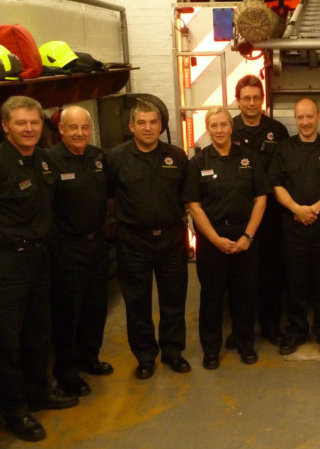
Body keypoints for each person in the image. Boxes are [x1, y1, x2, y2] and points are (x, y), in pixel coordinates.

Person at [0, 96, 78, 442]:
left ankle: (38, 391)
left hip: (38, 260)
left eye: (34, 122)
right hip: (2, 267)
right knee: (6, 342)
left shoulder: (42, 161)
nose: (29, 128)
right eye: (21, 123)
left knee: (37, 332)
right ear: (5, 126)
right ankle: (14, 410)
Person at [106, 100, 190, 379]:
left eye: (153, 122)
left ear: (161, 125)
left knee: (174, 298)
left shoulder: (177, 157)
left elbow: (188, 198)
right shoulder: (116, 158)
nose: (147, 128)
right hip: (133, 241)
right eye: (141, 122)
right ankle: (144, 356)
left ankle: (173, 351)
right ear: (131, 127)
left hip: (171, 239)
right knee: (137, 302)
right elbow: (107, 197)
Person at [182, 106, 270, 369]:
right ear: (208, 129)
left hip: (244, 237)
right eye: (214, 125)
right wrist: (214, 239)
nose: (219, 130)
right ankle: (211, 349)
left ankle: (246, 344)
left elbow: (260, 199)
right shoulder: (198, 162)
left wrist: (248, 236)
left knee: (245, 295)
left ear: (231, 127)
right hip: (212, 239)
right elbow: (193, 206)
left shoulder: (249, 158)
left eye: (223, 125)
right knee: (211, 296)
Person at [268, 98, 320, 356]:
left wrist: (314, 209)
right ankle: (296, 331)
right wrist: (296, 209)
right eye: (300, 117)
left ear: (319, 117)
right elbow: (276, 186)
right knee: (295, 283)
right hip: (293, 229)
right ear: (295, 119)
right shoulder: (283, 149)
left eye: (309, 116)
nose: (305, 122)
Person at [45, 106, 113, 398]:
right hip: (66, 248)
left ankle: (90, 357)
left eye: (84, 127)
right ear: (61, 130)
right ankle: (67, 373)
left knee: (95, 308)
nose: (79, 133)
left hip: (97, 244)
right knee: (68, 314)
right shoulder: (48, 161)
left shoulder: (98, 157)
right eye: (73, 128)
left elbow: (109, 197)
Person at [232, 75, 290, 347]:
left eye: (257, 97)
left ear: (263, 99)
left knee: (271, 274)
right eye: (246, 98)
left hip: (271, 216)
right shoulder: (227, 129)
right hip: (238, 216)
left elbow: (285, 172)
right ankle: (240, 329)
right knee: (240, 278)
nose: (252, 103)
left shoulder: (277, 131)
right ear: (238, 100)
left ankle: (271, 325)